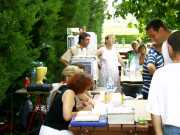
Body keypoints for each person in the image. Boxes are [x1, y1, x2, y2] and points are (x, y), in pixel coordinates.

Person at [147, 31, 180, 135]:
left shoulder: (160, 74)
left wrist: (159, 133)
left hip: (172, 128)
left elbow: (155, 109)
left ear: (169, 48)